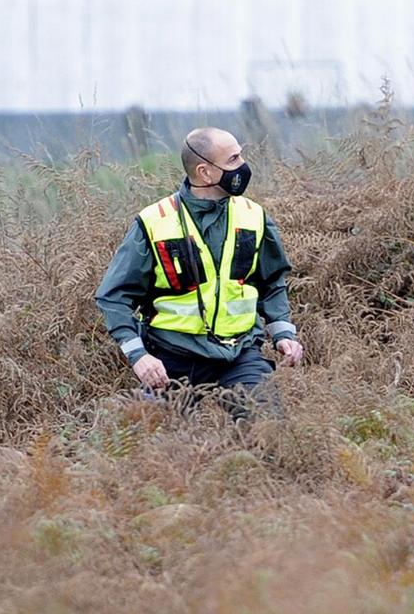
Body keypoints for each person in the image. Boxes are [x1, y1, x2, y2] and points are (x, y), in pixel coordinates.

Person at [94, 127, 303, 420]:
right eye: (233, 159)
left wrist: (282, 332)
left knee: (271, 434)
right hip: (172, 359)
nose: (242, 165)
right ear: (205, 172)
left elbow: (271, 281)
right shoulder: (153, 222)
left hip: (240, 352)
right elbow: (113, 297)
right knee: (160, 452)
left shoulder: (254, 215)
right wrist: (139, 356)